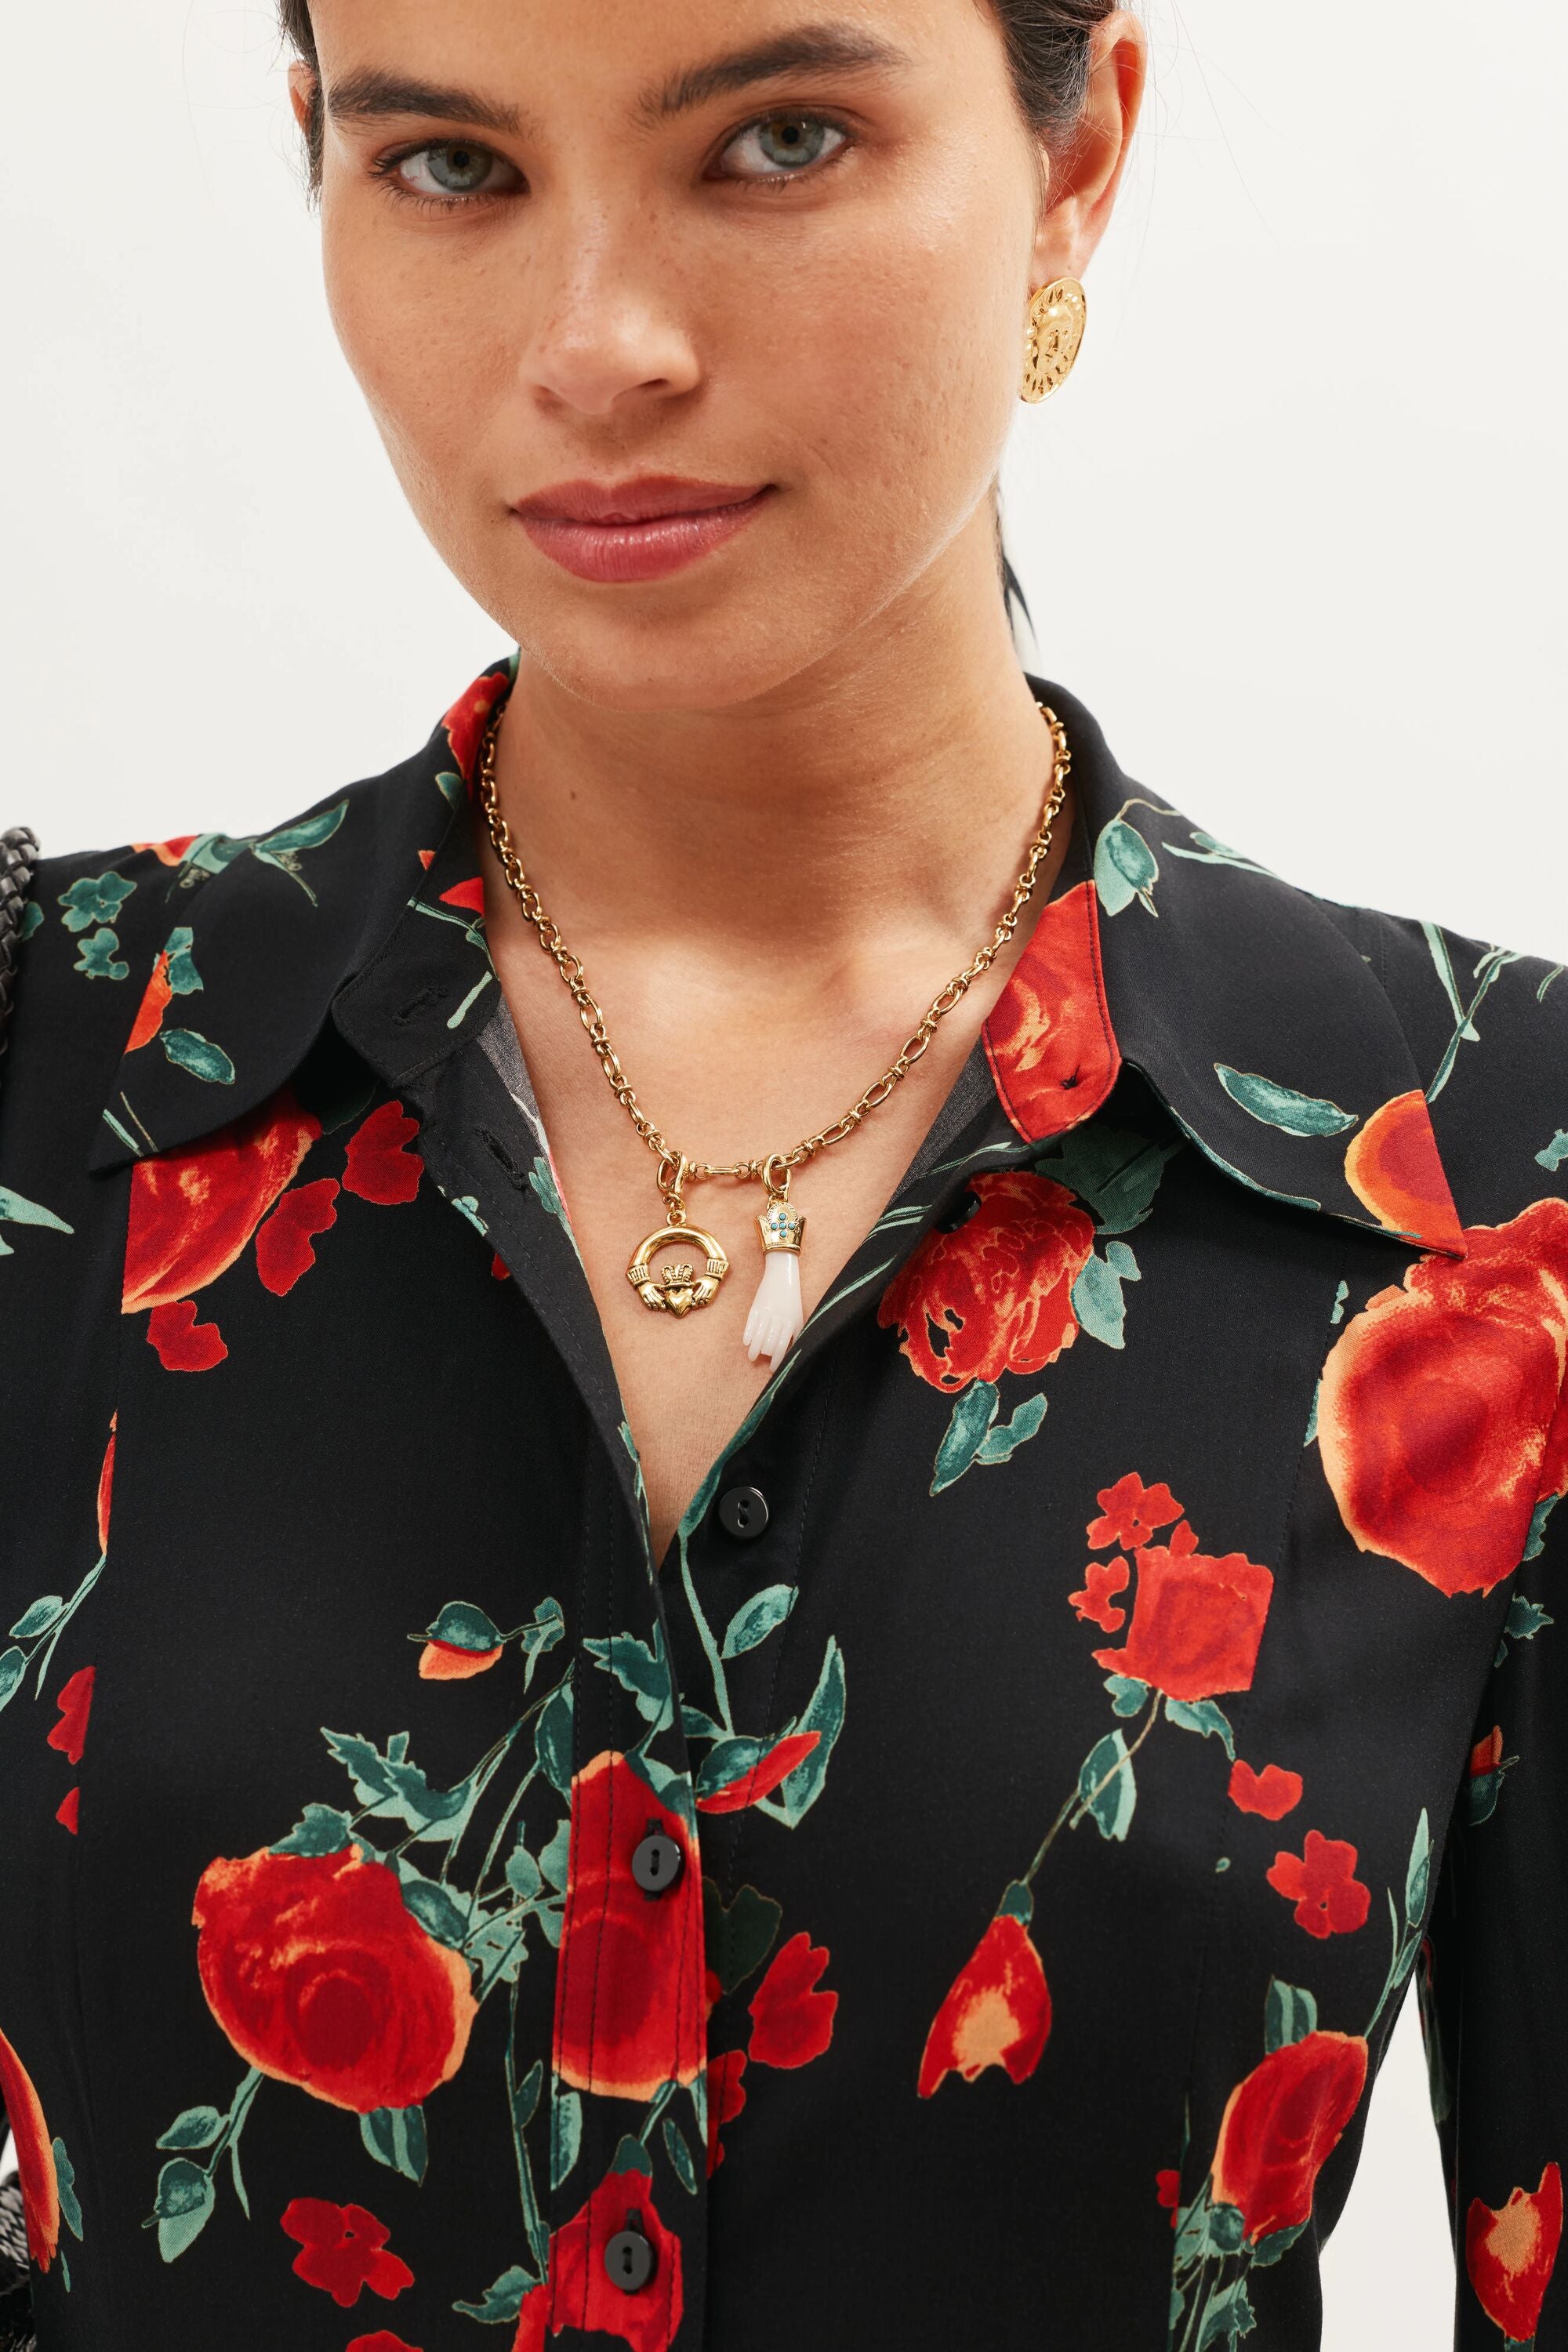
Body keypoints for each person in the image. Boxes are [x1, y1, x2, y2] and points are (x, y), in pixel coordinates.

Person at [1, 3, 1564, 2347]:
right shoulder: (46, 1067)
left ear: (1076, 155)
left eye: (782, 138)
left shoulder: (1493, 1177)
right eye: (448, 167)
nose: (599, 343)